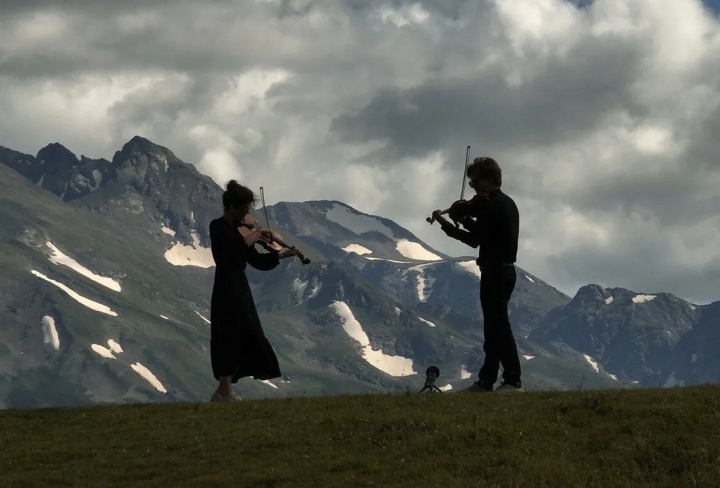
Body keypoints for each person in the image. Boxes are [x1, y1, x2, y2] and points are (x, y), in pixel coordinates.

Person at [431, 157, 522, 392]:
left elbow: (474, 240)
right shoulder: (505, 203)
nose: (473, 187)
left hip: (495, 272)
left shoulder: (493, 206)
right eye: (471, 183)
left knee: (498, 328)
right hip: (503, 271)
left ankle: (512, 379)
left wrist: (450, 224)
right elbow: (483, 233)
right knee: (493, 328)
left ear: (490, 179)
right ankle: (486, 380)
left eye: (475, 182)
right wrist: (462, 219)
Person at [208, 180, 299, 402]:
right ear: (232, 206)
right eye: (245, 208)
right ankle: (224, 391)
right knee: (226, 335)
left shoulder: (240, 232)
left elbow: (256, 260)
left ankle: (224, 392)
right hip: (225, 286)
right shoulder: (218, 227)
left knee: (247, 333)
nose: (247, 214)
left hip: (240, 286)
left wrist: (280, 255)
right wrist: (257, 233)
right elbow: (233, 249)